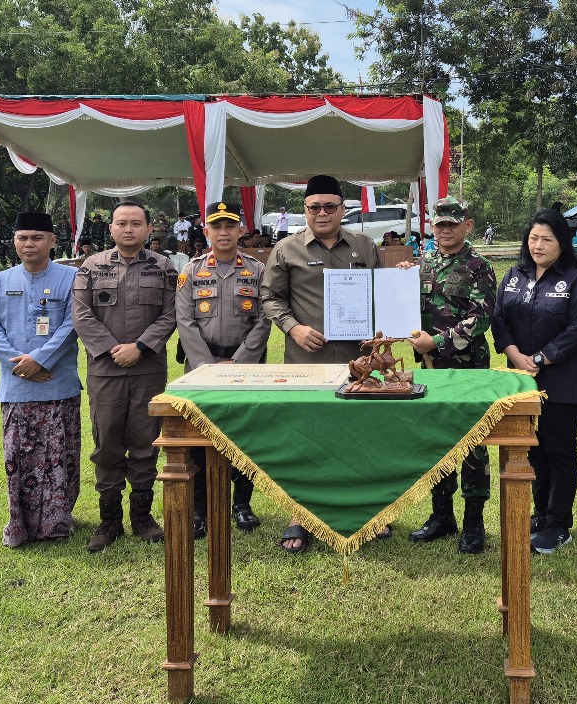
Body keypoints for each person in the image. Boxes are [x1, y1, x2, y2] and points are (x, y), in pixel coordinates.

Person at [260, 174, 383, 553]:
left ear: (343, 209)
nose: (323, 213)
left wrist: (379, 335)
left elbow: (382, 294)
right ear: (305, 209)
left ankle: (367, 512)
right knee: (305, 436)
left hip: (358, 360)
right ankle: (300, 514)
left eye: (331, 206)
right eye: (315, 207)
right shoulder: (286, 249)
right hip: (306, 359)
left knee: (360, 434)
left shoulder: (364, 246)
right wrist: (294, 329)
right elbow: (270, 298)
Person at [71, 201, 179, 552]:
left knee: (146, 442)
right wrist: (112, 348)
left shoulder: (163, 266)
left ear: (149, 229)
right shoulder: (91, 266)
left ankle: (143, 518)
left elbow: (171, 313)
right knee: (107, 444)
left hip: (147, 370)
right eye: (121, 223)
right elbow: (81, 314)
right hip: (105, 371)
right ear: (112, 229)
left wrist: (141, 347)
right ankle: (109, 521)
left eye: (136, 223)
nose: (128, 229)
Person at [492, 208, 577, 555]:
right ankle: (540, 515)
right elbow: (499, 320)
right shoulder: (513, 275)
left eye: (547, 239)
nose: (538, 245)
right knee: (532, 449)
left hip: (562, 380)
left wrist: (540, 358)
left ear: (562, 243)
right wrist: (515, 355)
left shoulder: (576, 280)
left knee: (559, 449)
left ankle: (558, 524)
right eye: (534, 238)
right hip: (521, 380)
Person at [401, 197, 498, 554]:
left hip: (467, 366)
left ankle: (474, 521)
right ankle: (441, 515)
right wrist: (401, 282)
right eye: (439, 224)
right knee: (434, 438)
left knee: (473, 443)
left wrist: (438, 341)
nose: (445, 229)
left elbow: (481, 318)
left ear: (467, 225)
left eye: (452, 224)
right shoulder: (423, 263)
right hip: (429, 368)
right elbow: (409, 305)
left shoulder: (479, 266)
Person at [0, 212, 82, 547]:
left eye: (37, 237)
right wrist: (20, 367)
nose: (29, 244)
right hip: (16, 386)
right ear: (14, 241)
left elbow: (73, 325)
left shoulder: (72, 278)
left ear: (52, 241)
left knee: (60, 454)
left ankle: (57, 522)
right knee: (18, 458)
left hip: (59, 383)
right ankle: (21, 524)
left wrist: (39, 359)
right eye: (23, 237)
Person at [176, 201, 272, 536]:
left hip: (247, 366)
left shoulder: (257, 271)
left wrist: (240, 361)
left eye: (230, 226)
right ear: (206, 231)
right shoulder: (191, 271)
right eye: (216, 226)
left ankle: (242, 504)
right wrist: (207, 366)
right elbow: (185, 321)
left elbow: (263, 321)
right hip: (201, 368)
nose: (223, 232)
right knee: (201, 439)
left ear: (241, 230)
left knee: (246, 437)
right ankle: (200, 509)